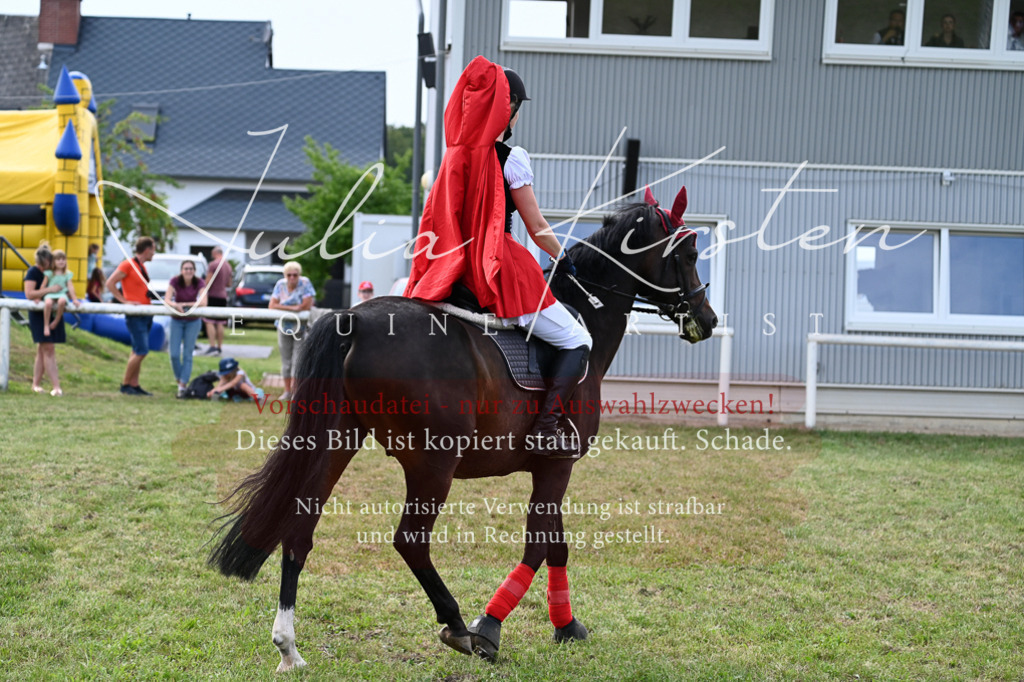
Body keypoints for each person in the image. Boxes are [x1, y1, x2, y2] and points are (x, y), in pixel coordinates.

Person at [404, 57, 593, 458]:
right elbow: (536, 227)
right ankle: (546, 428)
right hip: (499, 267)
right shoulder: (512, 157)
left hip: (454, 266)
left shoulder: (455, 155)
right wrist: (564, 257)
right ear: (510, 111)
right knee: (578, 338)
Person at [106, 236, 156, 396]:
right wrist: (124, 301)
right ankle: (126, 384)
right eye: (153, 249)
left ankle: (134, 384)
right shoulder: (128, 264)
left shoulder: (141, 266)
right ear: (147, 250)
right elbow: (110, 283)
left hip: (145, 313)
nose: (154, 253)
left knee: (137, 350)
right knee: (142, 350)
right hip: (135, 314)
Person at [268, 261, 315, 401]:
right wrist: (293, 308)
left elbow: (306, 305)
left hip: (301, 327)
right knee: (286, 360)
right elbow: (272, 305)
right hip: (283, 326)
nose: (292, 278)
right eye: (289, 275)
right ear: (285, 275)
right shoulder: (280, 285)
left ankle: (296, 391)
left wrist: (284, 306)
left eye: (295, 275)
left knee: (298, 360)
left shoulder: (305, 283)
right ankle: (287, 391)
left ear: (299, 275)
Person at [23, 243, 65, 396]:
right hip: (38, 315)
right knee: (48, 348)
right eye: (41, 265)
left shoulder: (54, 272)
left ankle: (36, 384)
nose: (43, 268)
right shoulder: (33, 272)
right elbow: (29, 294)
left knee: (43, 349)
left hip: (51, 312)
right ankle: (56, 386)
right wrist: (49, 290)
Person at [164, 260, 208, 398]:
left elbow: (203, 302)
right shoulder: (175, 281)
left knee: (188, 354)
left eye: (191, 268)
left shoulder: (199, 282)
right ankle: (179, 380)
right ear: (181, 270)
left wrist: (186, 304)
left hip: (193, 321)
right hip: (176, 320)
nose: (188, 271)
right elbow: (167, 299)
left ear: (194, 271)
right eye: (186, 268)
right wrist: (176, 305)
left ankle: (182, 385)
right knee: (174, 354)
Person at [41, 249, 79, 337]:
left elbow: (70, 287)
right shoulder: (49, 273)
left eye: (63, 259)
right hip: (50, 293)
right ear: (53, 262)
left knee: (62, 301)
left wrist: (74, 299)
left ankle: (56, 320)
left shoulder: (67, 274)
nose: (61, 261)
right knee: (48, 303)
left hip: (62, 293)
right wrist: (38, 297)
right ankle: (46, 325)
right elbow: (43, 286)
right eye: (58, 259)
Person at [203, 246, 233, 355]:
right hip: (223, 296)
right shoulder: (228, 266)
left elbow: (208, 281)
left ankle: (212, 346)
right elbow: (229, 283)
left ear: (215, 253)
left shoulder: (213, 264)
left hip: (213, 295)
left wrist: (202, 290)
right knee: (220, 322)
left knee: (209, 321)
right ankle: (219, 347)